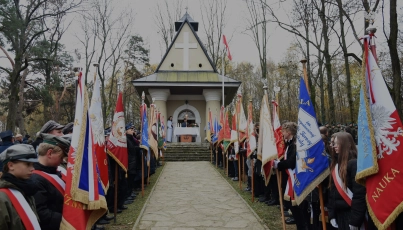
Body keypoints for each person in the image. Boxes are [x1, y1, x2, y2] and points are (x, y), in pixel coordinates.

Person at [31, 133, 70, 230]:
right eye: (61, 157)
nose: (62, 161)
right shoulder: (36, 179)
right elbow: (41, 213)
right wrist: (68, 220)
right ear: (49, 153)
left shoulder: (55, 171)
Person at [328, 132, 366, 230]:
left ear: (346, 144)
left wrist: (355, 220)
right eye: (334, 143)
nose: (334, 146)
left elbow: (359, 195)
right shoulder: (335, 164)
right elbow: (332, 192)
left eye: (337, 143)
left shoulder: (354, 164)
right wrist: (331, 214)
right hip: (339, 214)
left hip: (351, 213)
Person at [274, 122, 308, 230]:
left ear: (289, 132)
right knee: (291, 206)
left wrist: (278, 164)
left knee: (297, 208)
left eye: (283, 131)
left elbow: (291, 162)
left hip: (295, 179)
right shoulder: (289, 143)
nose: (282, 133)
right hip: (289, 178)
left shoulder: (295, 144)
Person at [0, 144, 40, 229]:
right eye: (28, 164)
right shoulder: (2, 197)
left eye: (33, 164)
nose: (32, 168)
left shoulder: (25, 188)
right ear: (10, 166)